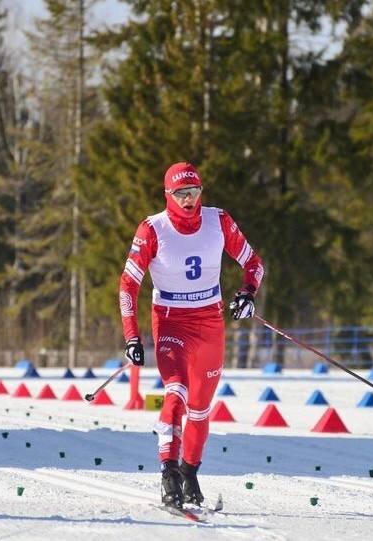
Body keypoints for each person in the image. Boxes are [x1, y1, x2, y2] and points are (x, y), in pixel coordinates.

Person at [119, 162, 263, 509]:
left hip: (210, 322)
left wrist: (247, 294)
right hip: (170, 321)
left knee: (200, 408)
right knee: (177, 391)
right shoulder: (152, 228)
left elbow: (253, 263)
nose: (188, 200)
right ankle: (168, 472)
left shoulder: (219, 221)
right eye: (181, 194)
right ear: (168, 195)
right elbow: (128, 285)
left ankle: (189, 472)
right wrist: (132, 337)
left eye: (194, 192)